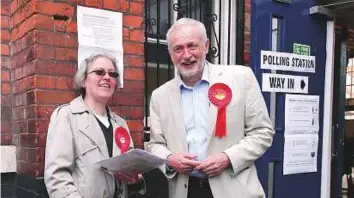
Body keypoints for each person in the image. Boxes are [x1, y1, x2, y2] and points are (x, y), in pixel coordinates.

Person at [146, 18, 275, 198]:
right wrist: (169, 159)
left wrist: (227, 158)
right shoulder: (160, 96)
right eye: (178, 49)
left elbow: (263, 132)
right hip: (185, 190)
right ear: (170, 53)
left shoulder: (241, 78)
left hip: (234, 189)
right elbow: (154, 144)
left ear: (206, 46)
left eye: (192, 46)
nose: (186, 55)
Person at [44, 54, 145, 198]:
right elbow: (57, 177)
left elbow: (130, 170)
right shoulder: (67, 116)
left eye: (112, 73)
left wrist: (135, 180)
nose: (107, 77)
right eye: (99, 72)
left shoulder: (120, 123)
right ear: (84, 80)